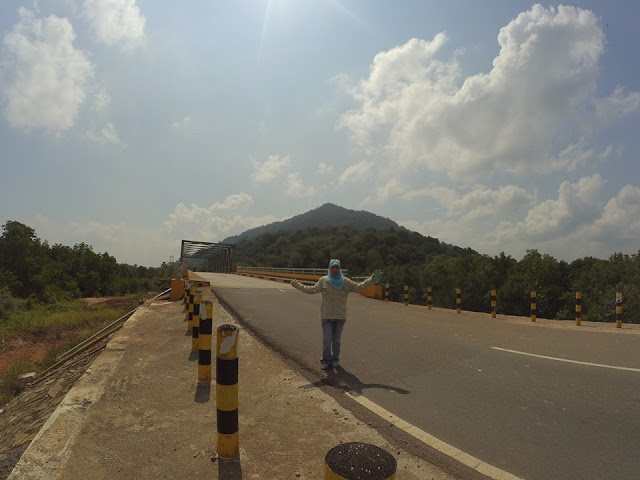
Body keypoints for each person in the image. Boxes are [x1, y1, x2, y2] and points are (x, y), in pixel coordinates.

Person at [290, 259, 380, 370]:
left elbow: (359, 286)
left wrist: (372, 279)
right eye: (333, 267)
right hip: (326, 316)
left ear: (340, 268)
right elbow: (311, 290)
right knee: (327, 339)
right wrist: (297, 285)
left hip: (340, 316)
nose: (335, 269)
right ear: (329, 268)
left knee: (336, 340)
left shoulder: (346, 282)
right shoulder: (324, 280)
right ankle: (325, 360)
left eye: (337, 267)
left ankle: (335, 359)